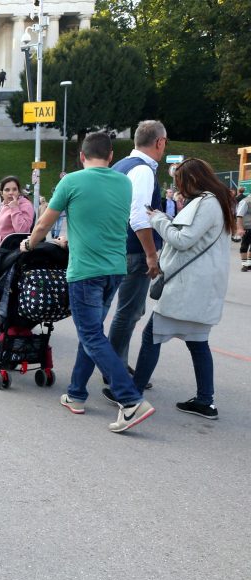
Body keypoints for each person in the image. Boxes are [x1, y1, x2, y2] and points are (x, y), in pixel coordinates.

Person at [19, 132, 154, 433]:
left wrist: (28, 245)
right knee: (91, 332)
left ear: (81, 155)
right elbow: (100, 220)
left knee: (91, 334)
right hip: (114, 270)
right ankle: (77, 393)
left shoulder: (71, 182)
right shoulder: (124, 182)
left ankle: (130, 399)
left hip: (85, 271)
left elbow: (43, 223)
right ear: (110, 157)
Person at [129, 159, 234, 420]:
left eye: (180, 182)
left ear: (192, 180)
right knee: (198, 343)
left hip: (188, 286)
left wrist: (158, 219)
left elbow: (182, 239)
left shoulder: (206, 202)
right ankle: (205, 401)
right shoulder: (215, 201)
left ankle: (132, 394)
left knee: (152, 335)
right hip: (201, 286)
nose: (179, 188)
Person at [107, 120, 167, 374]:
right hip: (133, 249)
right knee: (128, 312)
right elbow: (139, 217)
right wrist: (151, 254)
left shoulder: (121, 165)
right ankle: (114, 369)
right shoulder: (143, 170)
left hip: (117, 246)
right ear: (159, 142)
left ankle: (116, 362)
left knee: (128, 310)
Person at [0, 175, 34, 246]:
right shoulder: (4, 204)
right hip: (1, 250)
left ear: (18, 192)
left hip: (14, 251)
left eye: (14, 189)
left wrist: (14, 208)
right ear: (1, 193)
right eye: (7, 190)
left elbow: (23, 230)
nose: (11, 193)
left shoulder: (25, 205)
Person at [236, 191, 251, 271]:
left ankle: (249, 264)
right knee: (245, 245)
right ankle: (244, 265)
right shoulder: (245, 201)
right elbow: (239, 215)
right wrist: (239, 228)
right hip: (247, 227)